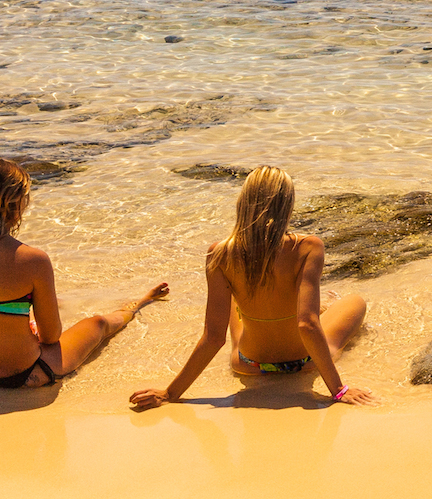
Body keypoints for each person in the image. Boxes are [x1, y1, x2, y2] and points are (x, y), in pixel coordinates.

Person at [129, 167, 373, 409]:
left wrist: (170, 393)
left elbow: (214, 337)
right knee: (355, 301)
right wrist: (338, 391)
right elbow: (307, 324)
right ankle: (321, 306)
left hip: (250, 365)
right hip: (304, 362)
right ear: (287, 205)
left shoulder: (220, 253)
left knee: (238, 300)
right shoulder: (308, 247)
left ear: (243, 203)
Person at [0, 158, 168, 392]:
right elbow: (51, 336)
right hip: (23, 374)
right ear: (16, 203)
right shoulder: (32, 259)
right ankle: (137, 305)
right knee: (97, 324)